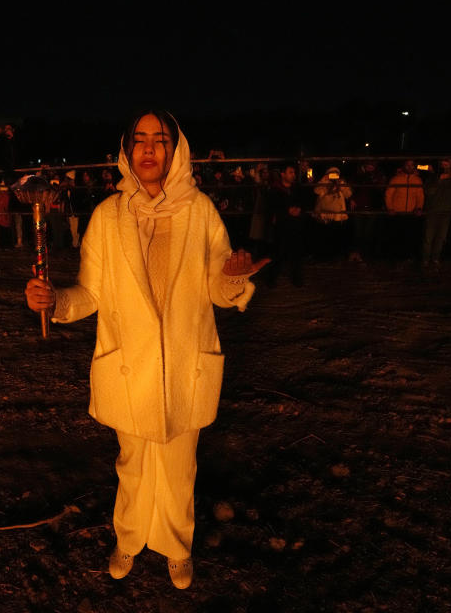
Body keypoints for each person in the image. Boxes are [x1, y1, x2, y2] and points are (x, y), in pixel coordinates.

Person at [24, 110, 268, 590]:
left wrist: (233, 275)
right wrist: (54, 301)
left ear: (176, 152)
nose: (150, 148)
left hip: (185, 366)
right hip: (129, 367)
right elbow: (89, 293)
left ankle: (177, 547)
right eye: (140, 140)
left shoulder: (200, 212)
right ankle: (129, 539)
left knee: (179, 468)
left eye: (160, 139)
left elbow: (218, 288)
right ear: (127, 151)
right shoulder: (108, 218)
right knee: (132, 465)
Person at [421, 158, 451, 267]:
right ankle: (425, 259)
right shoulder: (433, 175)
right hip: (433, 210)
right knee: (428, 237)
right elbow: (428, 191)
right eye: (444, 163)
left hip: (446, 211)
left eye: (448, 164)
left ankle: (435, 258)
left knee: (441, 237)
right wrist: (439, 179)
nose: (446, 166)